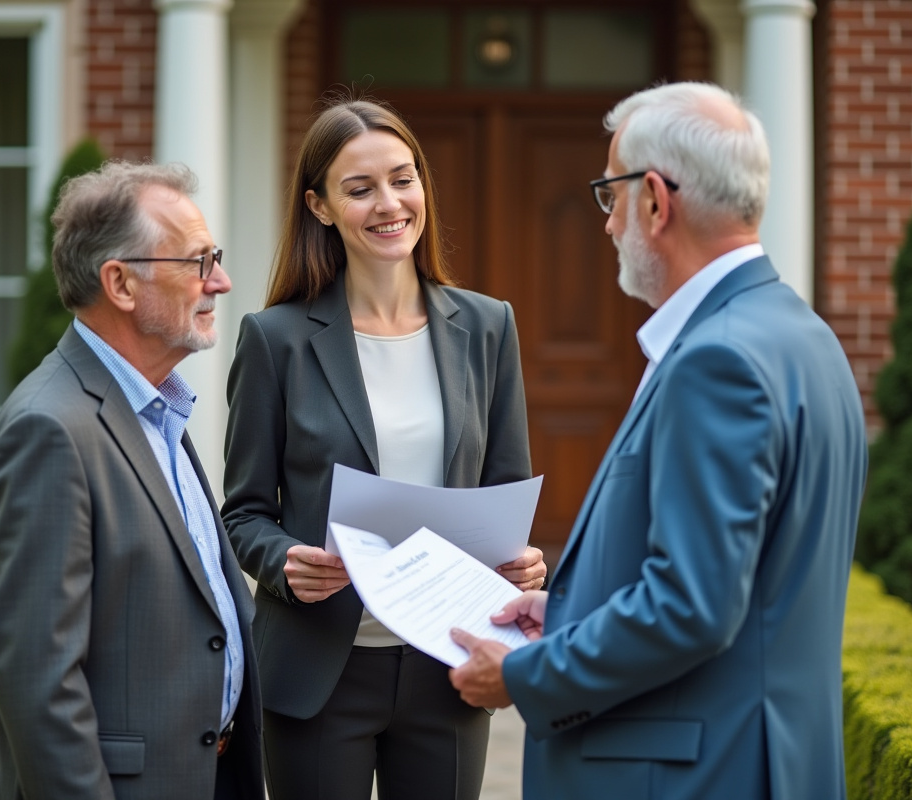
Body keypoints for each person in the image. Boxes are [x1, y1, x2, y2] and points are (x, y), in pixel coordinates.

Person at [449, 82, 869, 799]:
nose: (609, 225)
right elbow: (744, 585)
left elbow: (690, 606)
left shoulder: (718, 360)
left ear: (653, 200)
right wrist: (572, 615)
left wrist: (523, 674)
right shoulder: (804, 335)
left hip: (698, 774)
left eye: (609, 196)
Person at [221, 98, 547, 800]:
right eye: (360, 188)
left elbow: (505, 495)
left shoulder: (488, 327)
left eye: (403, 179)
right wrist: (284, 562)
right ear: (320, 206)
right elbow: (243, 513)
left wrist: (522, 562)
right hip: (319, 672)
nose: (390, 204)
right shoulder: (274, 340)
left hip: (448, 663)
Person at [0, 162, 263, 800]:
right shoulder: (49, 430)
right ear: (121, 284)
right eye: (199, 261)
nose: (220, 281)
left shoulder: (155, 407)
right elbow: (40, 685)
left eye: (215, 258)